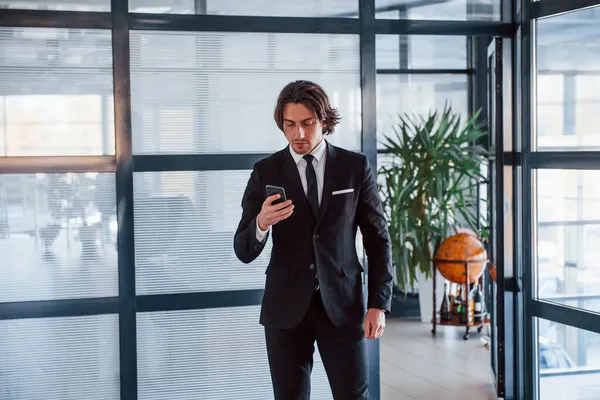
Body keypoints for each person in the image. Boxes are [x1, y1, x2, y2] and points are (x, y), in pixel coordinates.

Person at [233, 80, 393, 399]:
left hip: (343, 306)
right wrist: (261, 223)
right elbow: (243, 249)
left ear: (323, 121)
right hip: (285, 308)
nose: (299, 134)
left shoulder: (354, 167)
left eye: (307, 124)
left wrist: (378, 303)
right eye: (290, 125)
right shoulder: (265, 172)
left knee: (353, 395)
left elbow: (378, 239)